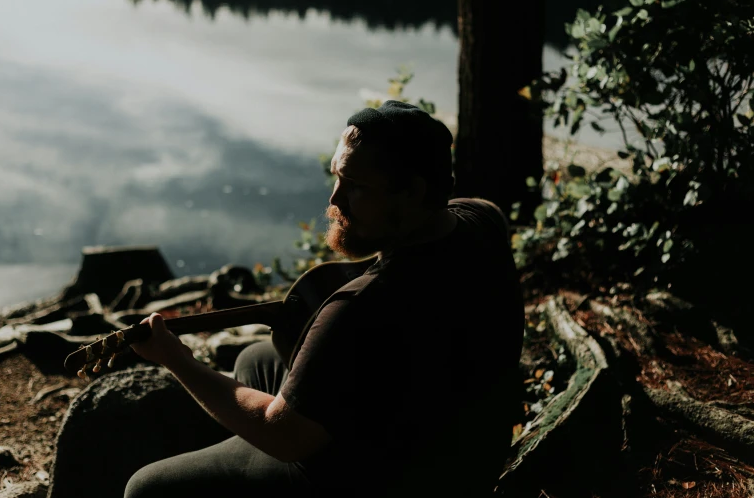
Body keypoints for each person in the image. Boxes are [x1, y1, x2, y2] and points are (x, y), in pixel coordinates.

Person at [125, 100, 525, 497]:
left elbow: (282, 435)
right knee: (253, 360)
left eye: (355, 186)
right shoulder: (483, 220)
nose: (335, 200)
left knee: (145, 487)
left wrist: (175, 358)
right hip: (466, 450)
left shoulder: (362, 305)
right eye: (336, 177)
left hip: (384, 480)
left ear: (413, 192)